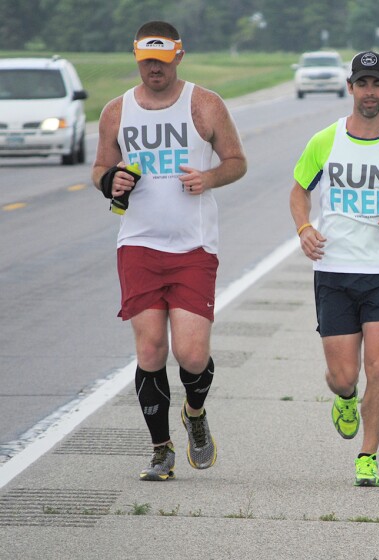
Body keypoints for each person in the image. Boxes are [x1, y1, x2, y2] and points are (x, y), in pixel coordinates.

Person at [92, 20, 247, 481]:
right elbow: (101, 165)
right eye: (145, 63)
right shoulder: (116, 110)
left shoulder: (204, 104)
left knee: (193, 354)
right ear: (136, 58)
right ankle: (161, 449)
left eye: (160, 62)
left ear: (178, 55)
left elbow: (237, 161)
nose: (153, 71)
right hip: (138, 243)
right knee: (152, 349)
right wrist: (109, 181)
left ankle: (194, 415)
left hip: (194, 245)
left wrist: (209, 178)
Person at [289, 51, 379, 487]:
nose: (370, 93)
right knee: (344, 376)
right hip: (333, 270)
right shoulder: (324, 141)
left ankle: (368, 455)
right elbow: (299, 193)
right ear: (350, 88)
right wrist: (304, 228)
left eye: (377, 84)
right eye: (362, 84)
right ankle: (346, 399)